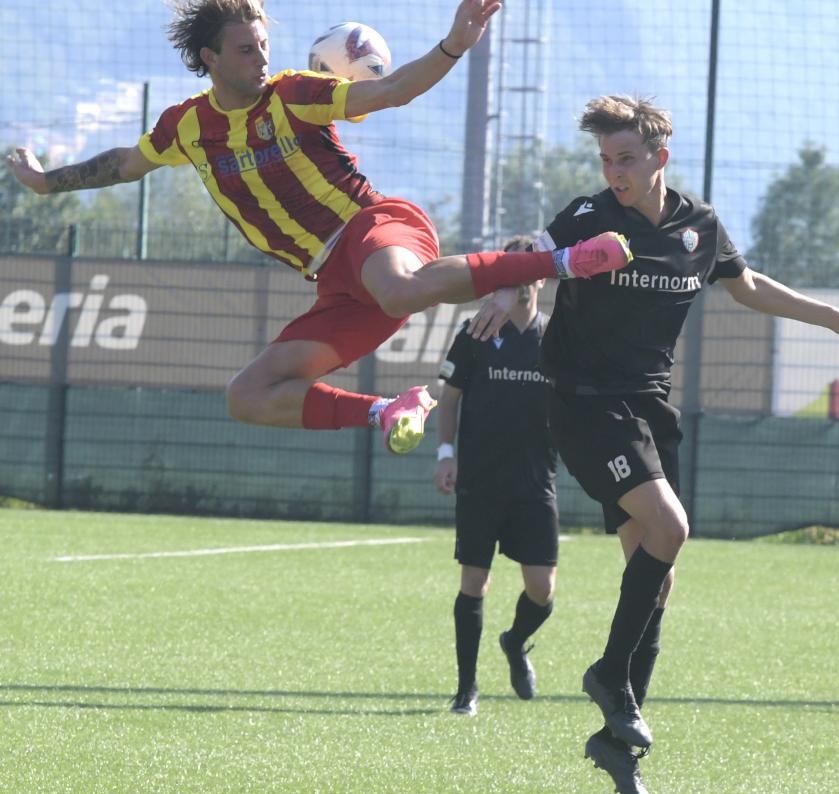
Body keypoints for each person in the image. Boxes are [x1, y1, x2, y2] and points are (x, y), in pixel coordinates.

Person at [4, 0, 631, 456]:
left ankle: (566, 261)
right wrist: (44, 181)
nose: (260, 59)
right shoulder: (185, 127)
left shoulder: (294, 94)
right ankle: (391, 409)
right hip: (337, 284)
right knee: (247, 396)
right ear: (210, 58)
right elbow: (122, 165)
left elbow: (389, 91)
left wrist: (454, 44)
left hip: (376, 227)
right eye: (246, 49)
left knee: (399, 287)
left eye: (263, 47)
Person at [496, 94, 839, 794]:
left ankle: (617, 741)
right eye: (607, 160)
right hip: (583, 402)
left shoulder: (697, 228)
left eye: (628, 159)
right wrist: (512, 288)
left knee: (659, 581)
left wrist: (833, 318)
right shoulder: (589, 217)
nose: (616, 172)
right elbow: (536, 262)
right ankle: (612, 680)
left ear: (660, 158)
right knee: (671, 530)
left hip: (647, 410)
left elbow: (749, 286)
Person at [432, 236, 558, 717]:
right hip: (481, 479)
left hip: (535, 481)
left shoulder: (556, 337)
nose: (520, 280)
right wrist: (446, 454)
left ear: (541, 277)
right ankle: (466, 690)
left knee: (542, 590)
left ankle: (515, 641)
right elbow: (450, 397)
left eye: (528, 271)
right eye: (511, 271)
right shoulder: (476, 331)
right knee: (473, 582)